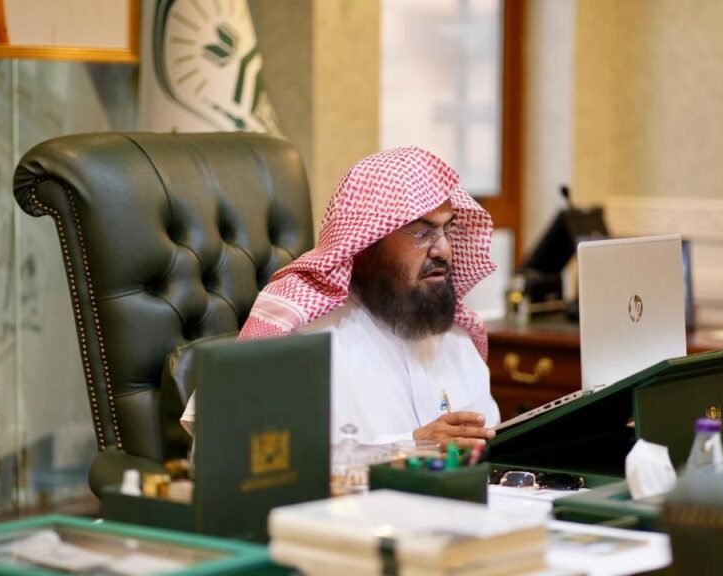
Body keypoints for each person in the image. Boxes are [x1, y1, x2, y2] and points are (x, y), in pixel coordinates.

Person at [181, 146, 500, 447]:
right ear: (369, 240)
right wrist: (409, 449)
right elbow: (230, 452)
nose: (443, 250)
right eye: (422, 232)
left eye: (447, 230)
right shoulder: (298, 334)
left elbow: (489, 445)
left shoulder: (453, 334)